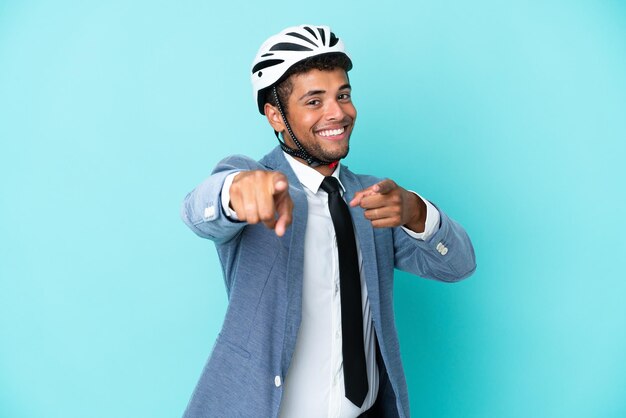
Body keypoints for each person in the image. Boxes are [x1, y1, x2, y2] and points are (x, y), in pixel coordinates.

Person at [180, 24, 476, 418]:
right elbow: (200, 210)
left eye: (343, 95)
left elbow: (458, 265)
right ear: (276, 116)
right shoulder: (254, 179)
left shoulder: (375, 198)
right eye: (314, 101)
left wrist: (415, 212)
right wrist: (237, 191)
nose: (337, 112)